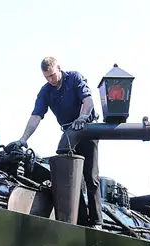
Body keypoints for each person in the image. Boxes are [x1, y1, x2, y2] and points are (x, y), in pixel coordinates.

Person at [15, 56, 103, 228]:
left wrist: (83, 117)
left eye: (52, 75)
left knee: (91, 178)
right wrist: (23, 139)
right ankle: (81, 220)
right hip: (69, 136)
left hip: (87, 131)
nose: (50, 80)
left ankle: (97, 222)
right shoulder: (46, 91)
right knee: (71, 178)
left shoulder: (75, 78)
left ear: (59, 68)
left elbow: (88, 101)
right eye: (46, 77)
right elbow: (36, 116)